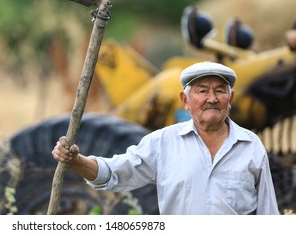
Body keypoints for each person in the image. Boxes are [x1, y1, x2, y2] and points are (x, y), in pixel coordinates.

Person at [52, 61, 279, 215]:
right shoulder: (163, 143)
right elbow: (113, 173)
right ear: (185, 100)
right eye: (202, 91)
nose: (212, 98)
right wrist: (75, 161)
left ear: (230, 99)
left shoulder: (251, 146)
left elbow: (268, 214)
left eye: (220, 91)